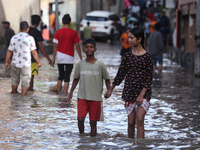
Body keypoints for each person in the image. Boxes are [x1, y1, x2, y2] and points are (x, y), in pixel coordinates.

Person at [105, 27, 153, 139]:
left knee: (140, 119)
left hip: (144, 94)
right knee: (131, 123)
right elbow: (120, 74)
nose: (129, 40)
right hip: (129, 93)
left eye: (131, 38)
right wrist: (110, 89)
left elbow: (149, 78)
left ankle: (140, 146)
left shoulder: (148, 57)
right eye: (129, 37)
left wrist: (141, 95)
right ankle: (131, 145)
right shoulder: (127, 56)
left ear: (139, 39)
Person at [68, 38, 110, 136]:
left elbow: (107, 79)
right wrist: (70, 92)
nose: (89, 49)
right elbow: (76, 79)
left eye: (91, 47)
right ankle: (82, 139)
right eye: (86, 47)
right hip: (82, 97)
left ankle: (93, 142)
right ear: (83, 50)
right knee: (80, 119)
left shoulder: (100, 65)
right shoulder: (80, 64)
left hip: (95, 98)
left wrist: (109, 90)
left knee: (93, 123)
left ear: (95, 49)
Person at [5, 21, 41, 95]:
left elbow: (9, 51)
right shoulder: (30, 38)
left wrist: (6, 62)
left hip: (15, 63)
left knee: (14, 81)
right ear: (27, 29)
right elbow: (34, 52)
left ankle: (14, 97)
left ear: (19, 29)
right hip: (26, 64)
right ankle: (23, 99)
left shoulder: (14, 38)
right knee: (25, 82)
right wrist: (38, 62)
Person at [52, 14, 82, 95]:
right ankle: (64, 95)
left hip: (60, 57)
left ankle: (58, 94)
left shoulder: (57, 32)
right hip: (69, 57)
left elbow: (55, 46)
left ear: (62, 22)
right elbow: (77, 46)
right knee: (67, 77)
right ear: (70, 22)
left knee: (60, 76)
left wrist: (53, 58)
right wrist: (81, 58)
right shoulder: (74, 33)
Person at [28, 15, 53, 91]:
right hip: (33, 58)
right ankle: (30, 92)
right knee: (31, 76)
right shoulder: (38, 33)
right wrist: (49, 59)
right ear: (39, 23)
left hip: (23, 58)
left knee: (24, 76)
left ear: (31, 22)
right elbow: (41, 47)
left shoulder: (25, 31)